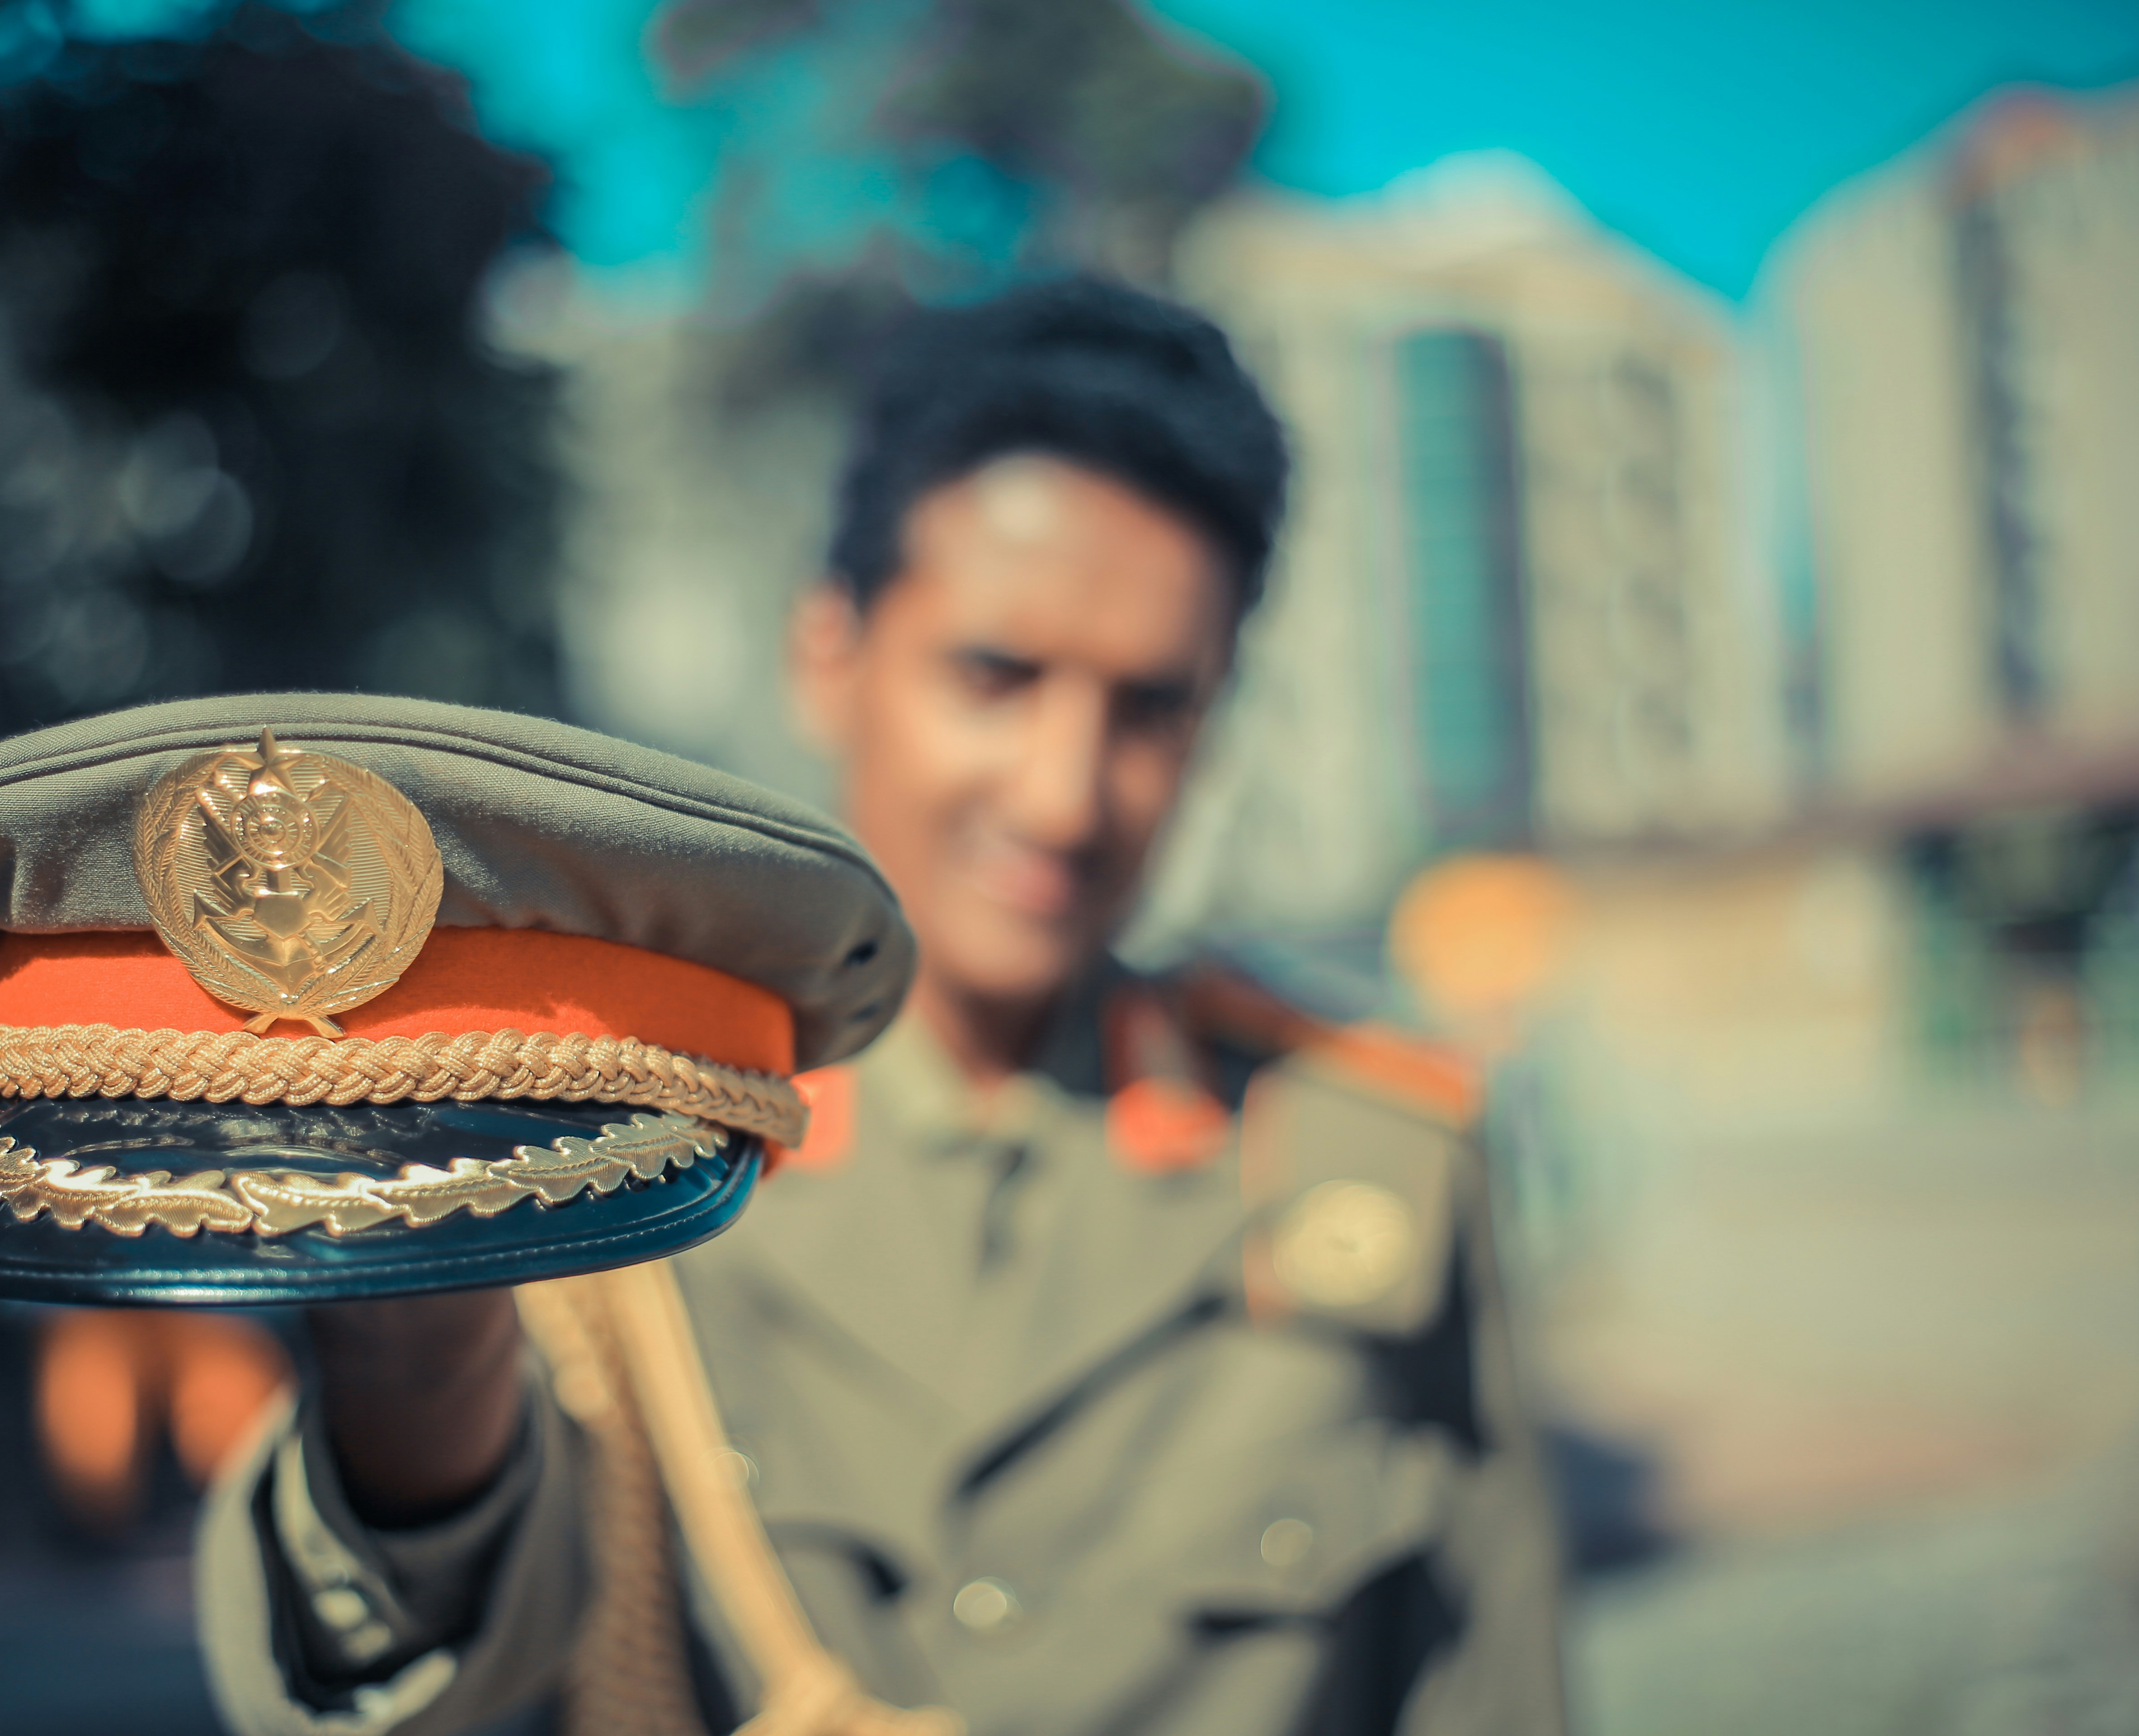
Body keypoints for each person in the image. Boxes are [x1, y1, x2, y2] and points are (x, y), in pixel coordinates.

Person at [197, 278, 1567, 1736]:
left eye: (1151, 710)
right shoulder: (611, 1144)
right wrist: (410, 1355)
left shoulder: (1375, 1166)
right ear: (828, 654)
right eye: (997, 675)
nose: (1062, 792)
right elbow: (418, 1676)